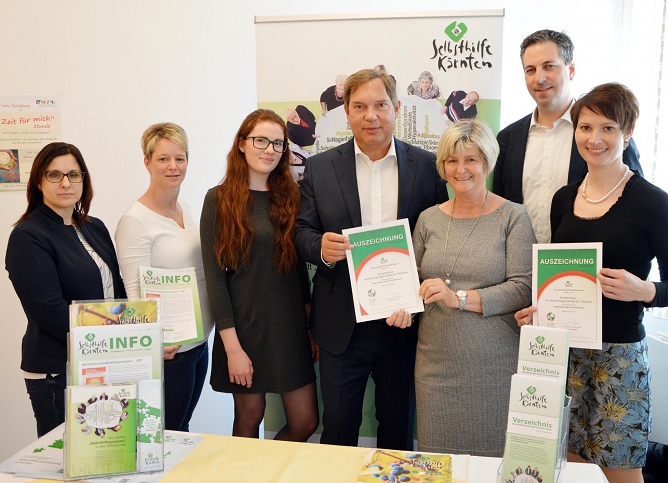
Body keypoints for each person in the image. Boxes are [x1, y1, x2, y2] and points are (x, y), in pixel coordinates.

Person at [515, 83, 668, 483]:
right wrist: (540, 310)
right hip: (565, 354)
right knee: (572, 470)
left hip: (620, 359)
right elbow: (560, 278)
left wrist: (644, 290)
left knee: (620, 474)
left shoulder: (653, 202)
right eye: (586, 127)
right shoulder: (564, 199)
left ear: (627, 132)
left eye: (608, 128)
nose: (595, 138)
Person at [295, 68, 448, 449]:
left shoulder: (427, 167)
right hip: (341, 325)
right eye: (360, 106)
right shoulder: (319, 167)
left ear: (396, 108)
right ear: (346, 112)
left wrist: (417, 296)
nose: (371, 115)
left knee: (397, 428)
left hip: (403, 321)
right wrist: (320, 248)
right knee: (338, 428)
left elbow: (440, 237)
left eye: (380, 105)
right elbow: (301, 231)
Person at [407, 120, 535, 455]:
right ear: (442, 166)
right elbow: (411, 282)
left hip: (494, 364)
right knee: (438, 461)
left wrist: (458, 298)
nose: (460, 169)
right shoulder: (428, 219)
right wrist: (401, 305)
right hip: (435, 364)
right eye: (452, 160)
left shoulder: (514, 217)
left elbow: (522, 288)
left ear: (487, 162)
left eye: (471, 159)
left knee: (492, 461)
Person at [200, 109, 318, 441]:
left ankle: (269, 468)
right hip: (244, 329)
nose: (270, 150)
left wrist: (309, 326)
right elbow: (215, 279)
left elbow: (298, 268)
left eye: (278, 143)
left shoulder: (291, 196)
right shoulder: (219, 199)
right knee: (250, 416)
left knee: (305, 421)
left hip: (289, 326)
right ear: (242, 144)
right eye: (261, 141)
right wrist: (232, 349)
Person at [5, 142, 125, 437]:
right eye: (54, 175)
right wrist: (113, 340)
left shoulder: (94, 227)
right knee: (63, 459)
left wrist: (136, 336)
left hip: (102, 362)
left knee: (104, 453)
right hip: (58, 371)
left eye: (73, 174)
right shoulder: (28, 236)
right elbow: (51, 312)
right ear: (38, 181)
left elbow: (116, 294)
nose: (66, 183)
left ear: (84, 179)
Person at [493, 29, 643, 243]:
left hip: (586, 260)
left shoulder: (605, 137)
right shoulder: (507, 138)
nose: (539, 78)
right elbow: (500, 209)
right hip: (520, 261)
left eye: (549, 66)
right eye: (530, 70)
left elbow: (635, 202)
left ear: (571, 69)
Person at [115, 123, 214, 432]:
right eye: (163, 159)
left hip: (199, 343)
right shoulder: (135, 221)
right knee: (168, 436)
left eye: (180, 158)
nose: (173, 166)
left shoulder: (185, 208)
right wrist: (152, 342)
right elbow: (134, 292)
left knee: (182, 429)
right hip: (170, 353)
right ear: (147, 162)